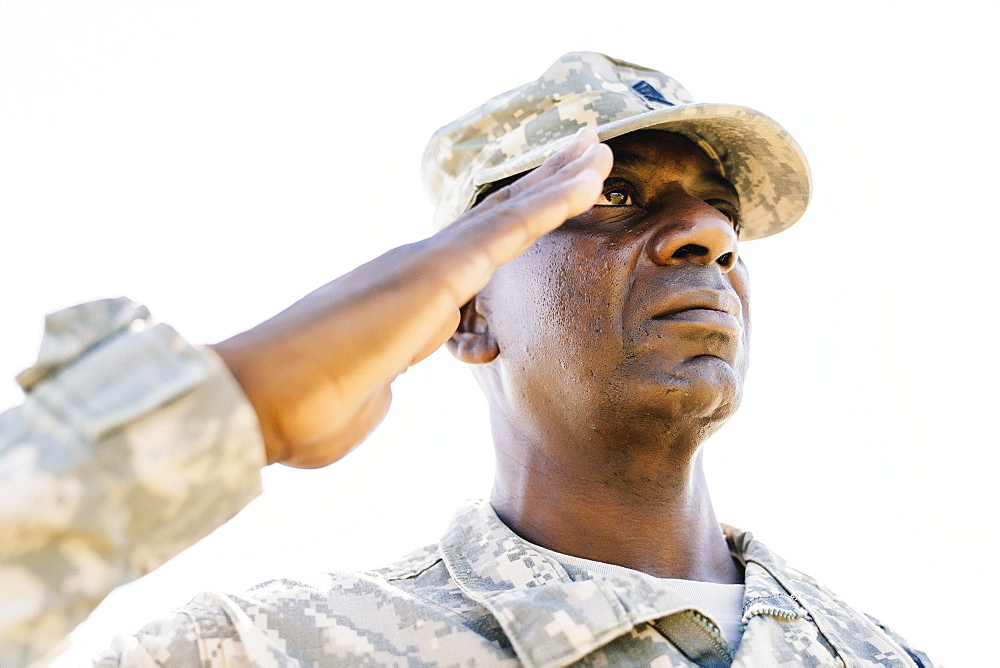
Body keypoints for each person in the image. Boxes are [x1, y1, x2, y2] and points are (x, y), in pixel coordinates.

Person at [0, 52, 933, 667]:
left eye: (718, 211)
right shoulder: (263, 650)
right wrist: (240, 404)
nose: (705, 235)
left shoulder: (890, 658)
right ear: (467, 308)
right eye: (609, 197)